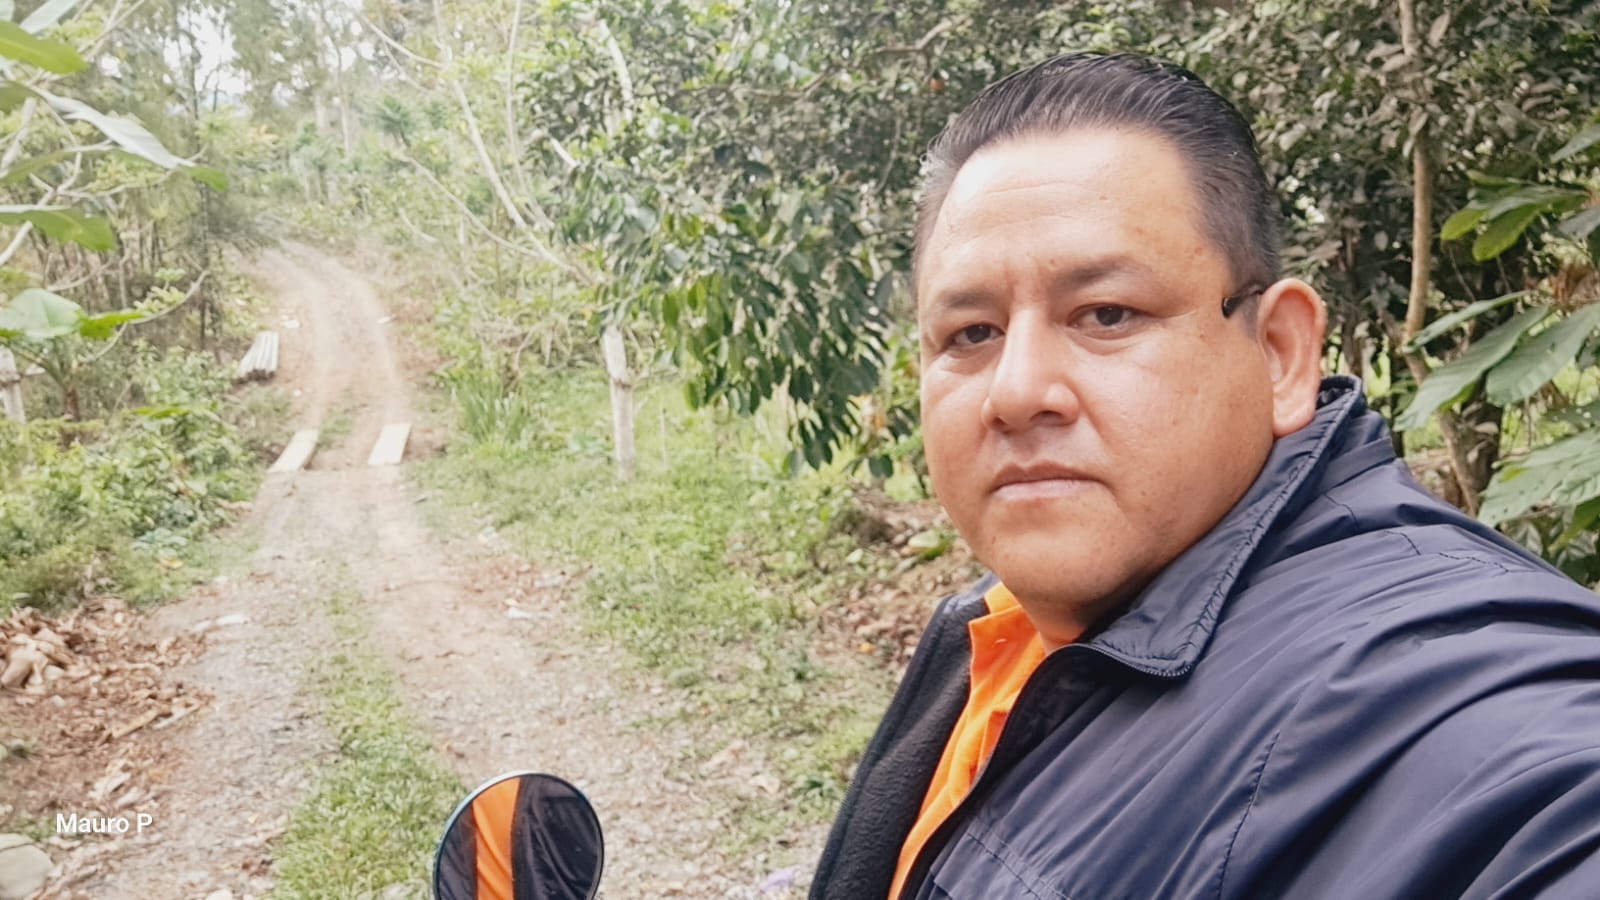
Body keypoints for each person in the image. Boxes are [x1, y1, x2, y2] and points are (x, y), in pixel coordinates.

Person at [810, 52, 1600, 900]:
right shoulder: (1008, 623)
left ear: (1280, 354)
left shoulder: (1428, 678)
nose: (1016, 392)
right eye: (971, 333)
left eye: (1107, 314)